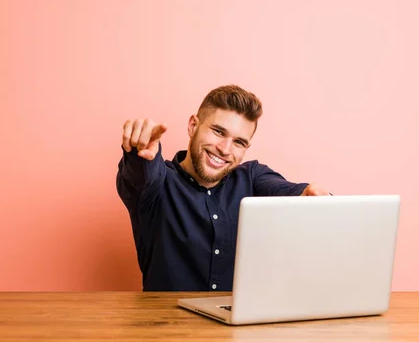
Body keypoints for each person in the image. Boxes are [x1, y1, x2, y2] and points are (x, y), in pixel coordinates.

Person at [116, 85, 330, 292]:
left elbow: (289, 192)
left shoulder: (252, 176)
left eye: (239, 142)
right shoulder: (158, 183)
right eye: (218, 131)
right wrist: (139, 151)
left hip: (236, 326)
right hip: (168, 326)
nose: (225, 149)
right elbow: (140, 173)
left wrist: (311, 195)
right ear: (193, 126)